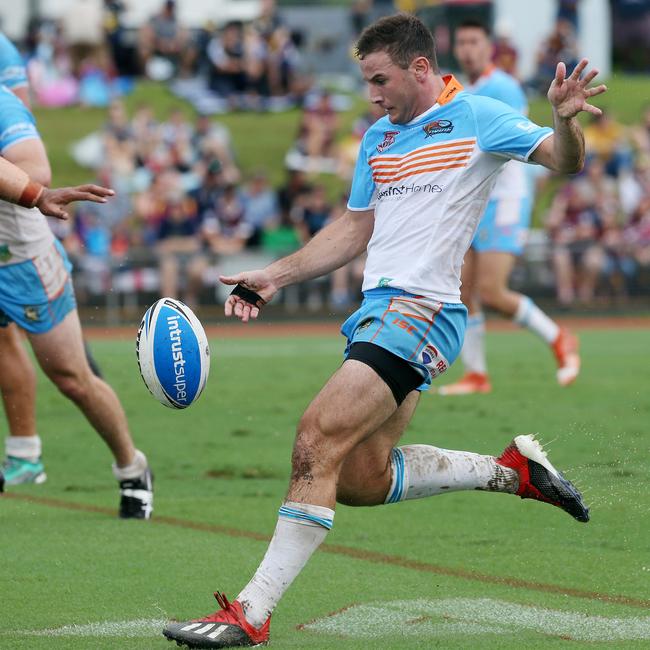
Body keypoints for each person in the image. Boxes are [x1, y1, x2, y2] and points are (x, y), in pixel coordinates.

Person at [162, 14, 604, 648]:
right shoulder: (378, 138)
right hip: (375, 314)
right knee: (360, 480)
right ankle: (511, 472)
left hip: (422, 311)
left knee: (315, 439)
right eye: (367, 81)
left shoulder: (479, 118)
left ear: (419, 69)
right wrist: (277, 275)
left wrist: (564, 120)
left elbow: (563, 162)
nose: (372, 94)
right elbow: (354, 227)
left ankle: (250, 615)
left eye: (380, 80)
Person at [0, 83, 154, 517]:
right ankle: (24, 454)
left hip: (19, 260)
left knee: (72, 378)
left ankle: (132, 467)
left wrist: (32, 193)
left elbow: (37, 169)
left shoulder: (2, 103)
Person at [438, 20, 580, 396]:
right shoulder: (460, 89)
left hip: (505, 197)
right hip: (474, 197)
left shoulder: (502, 85)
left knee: (492, 291)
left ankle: (559, 337)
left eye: (474, 41)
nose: (467, 48)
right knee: (464, 290)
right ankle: (477, 374)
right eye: (462, 41)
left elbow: (513, 136)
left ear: (489, 48)